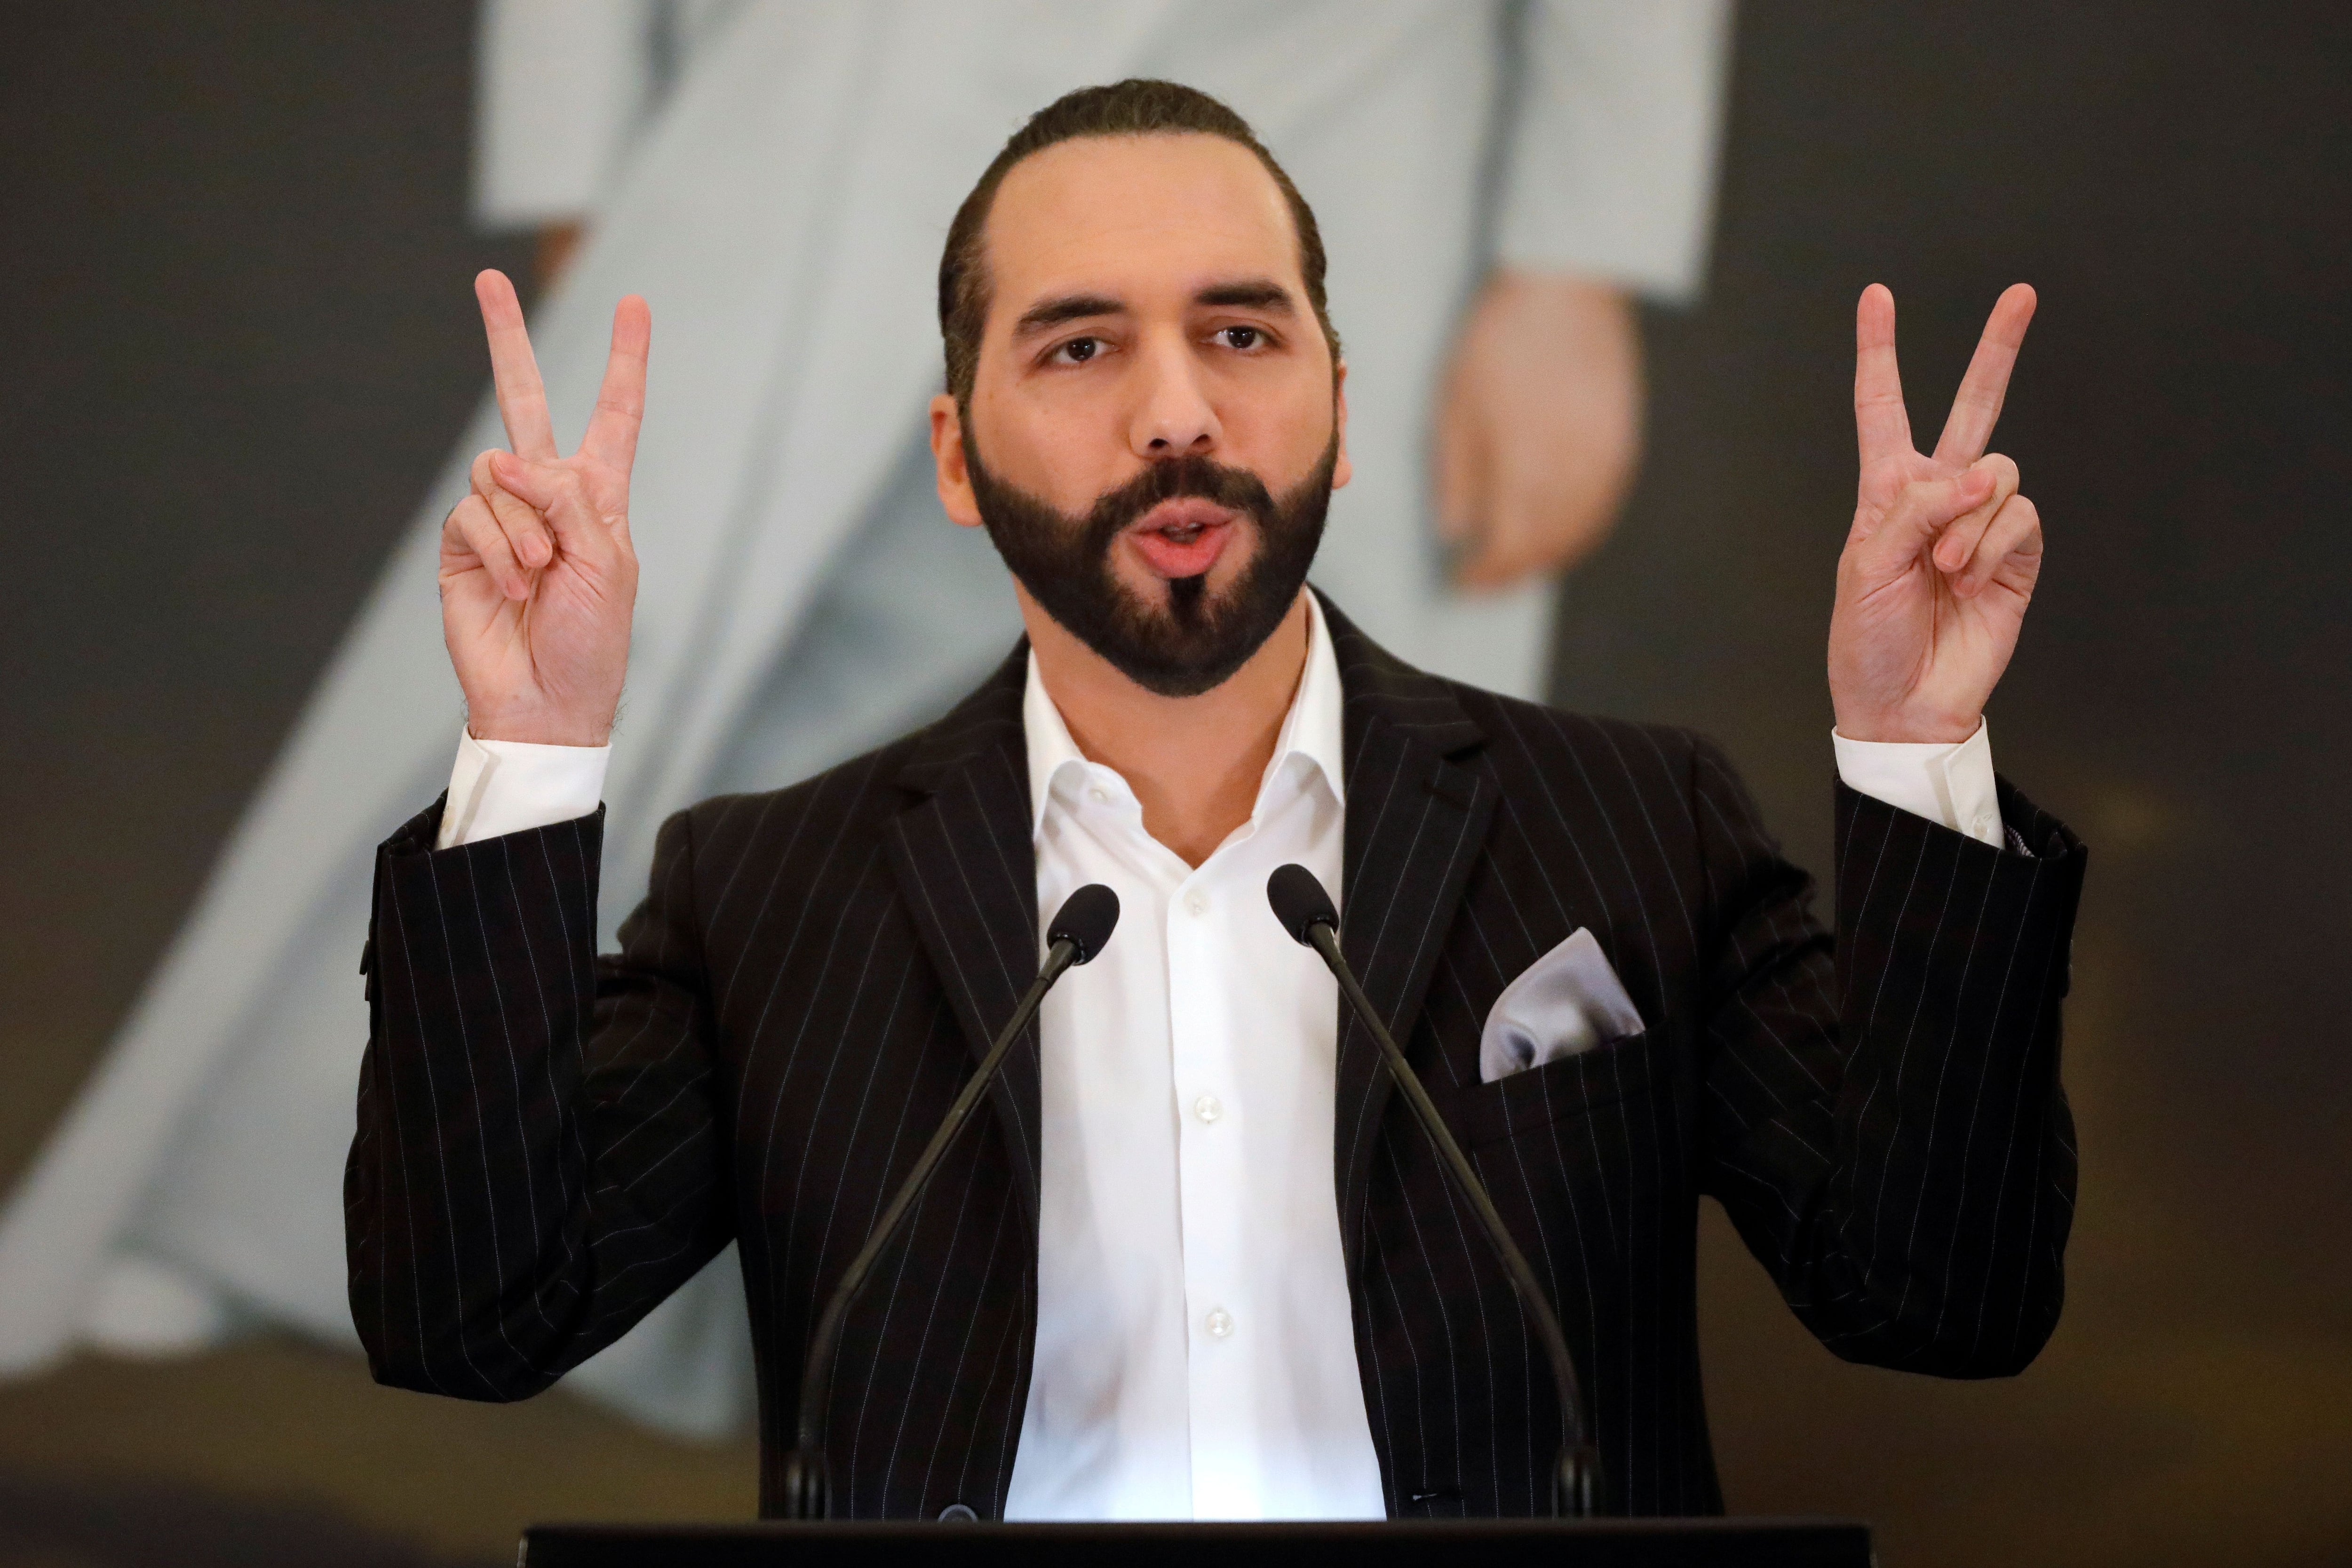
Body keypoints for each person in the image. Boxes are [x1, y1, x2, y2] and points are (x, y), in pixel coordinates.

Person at [349, 81, 2081, 1520]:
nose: (1177, 414)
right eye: (1082, 348)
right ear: (957, 456)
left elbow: (1942, 1297)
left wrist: (1914, 748)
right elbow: (471, 1316)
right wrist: (535, 741)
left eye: (1239, 330)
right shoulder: (770, 890)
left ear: (1337, 403)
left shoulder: (1633, 824)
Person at [0, 1, 1730, 1434]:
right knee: (611, 623)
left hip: (1349, 73)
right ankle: (273, 1182)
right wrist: (581, 142)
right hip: (854, 62)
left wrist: (1577, 253)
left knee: (1288, 783)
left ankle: (1195, 1388)